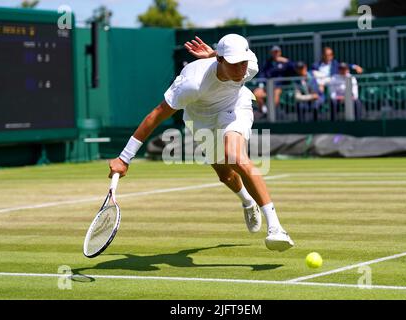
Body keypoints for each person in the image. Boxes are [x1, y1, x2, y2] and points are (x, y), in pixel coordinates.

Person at [109, 34, 294, 252]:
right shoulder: (192, 84)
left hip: (234, 108)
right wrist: (124, 157)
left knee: (235, 156)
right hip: (201, 119)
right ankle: (247, 201)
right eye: (233, 64)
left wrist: (214, 54)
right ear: (221, 62)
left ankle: (276, 228)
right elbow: (156, 115)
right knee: (225, 175)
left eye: (242, 63)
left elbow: (236, 61)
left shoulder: (249, 65)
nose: (240, 70)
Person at [253, 45, 296, 117]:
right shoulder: (267, 63)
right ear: (271, 53)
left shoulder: (285, 62)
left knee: (276, 94)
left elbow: (294, 69)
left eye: (277, 52)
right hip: (267, 86)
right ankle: (264, 110)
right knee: (257, 93)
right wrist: (261, 85)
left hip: (279, 87)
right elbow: (263, 74)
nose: (275, 53)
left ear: (280, 52)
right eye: (274, 52)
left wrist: (287, 61)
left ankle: (271, 113)